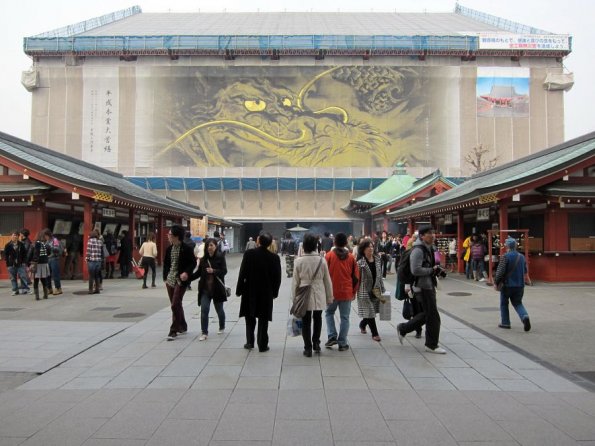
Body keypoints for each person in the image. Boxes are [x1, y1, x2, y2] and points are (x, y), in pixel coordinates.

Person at [397, 226, 446, 354]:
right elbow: (415, 270)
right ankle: (431, 345)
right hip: (422, 286)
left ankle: (403, 328)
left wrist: (437, 270)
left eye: (433, 233)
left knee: (427, 314)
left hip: (429, 285)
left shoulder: (429, 248)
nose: (433, 235)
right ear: (422, 236)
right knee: (433, 316)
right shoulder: (418, 250)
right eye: (430, 233)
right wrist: (431, 270)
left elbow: (431, 265)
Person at [236, 231, 281, 352]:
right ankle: (262, 344)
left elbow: (242, 273)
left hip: (249, 290)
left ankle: (250, 342)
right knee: (263, 319)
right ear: (270, 243)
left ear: (258, 241)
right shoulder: (274, 258)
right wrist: (275, 292)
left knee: (249, 317)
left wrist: (239, 289)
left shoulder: (249, 254)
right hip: (266, 292)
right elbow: (277, 278)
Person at [292, 233, 333, 357]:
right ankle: (316, 343)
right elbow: (327, 280)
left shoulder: (298, 261)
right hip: (319, 292)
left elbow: (295, 282)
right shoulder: (322, 260)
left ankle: (307, 348)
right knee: (318, 318)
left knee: (306, 321)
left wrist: (295, 299)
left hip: (304, 293)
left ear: (304, 246)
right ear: (316, 246)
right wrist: (329, 296)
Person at [324, 232, 359, 351]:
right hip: (346, 292)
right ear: (345, 243)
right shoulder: (351, 257)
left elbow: (324, 275)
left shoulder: (328, 256)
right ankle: (342, 342)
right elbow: (356, 277)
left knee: (329, 313)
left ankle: (332, 336)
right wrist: (354, 292)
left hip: (331, 292)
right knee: (345, 317)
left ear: (334, 242)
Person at [163, 225, 197, 341]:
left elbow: (193, 263)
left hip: (181, 280)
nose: (168, 236)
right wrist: (165, 277)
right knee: (177, 304)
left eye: (170, 234)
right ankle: (182, 325)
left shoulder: (186, 248)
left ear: (177, 236)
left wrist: (186, 273)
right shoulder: (169, 249)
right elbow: (166, 264)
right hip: (170, 279)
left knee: (175, 304)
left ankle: (173, 330)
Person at [192, 237, 228, 341]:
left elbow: (224, 271)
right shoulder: (203, 260)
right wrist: (188, 278)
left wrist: (214, 271)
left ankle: (222, 325)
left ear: (216, 246)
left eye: (211, 245)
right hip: (205, 289)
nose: (209, 247)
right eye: (208, 245)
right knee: (204, 310)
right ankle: (204, 332)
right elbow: (198, 273)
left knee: (219, 310)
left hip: (217, 289)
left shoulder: (220, 257)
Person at [494, 238, 531, 332]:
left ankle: (505, 323)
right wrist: (528, 281)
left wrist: (496, 282)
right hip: (520, 285)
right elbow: (525, 271)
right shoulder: (521, 257)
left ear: (507, 246)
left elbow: (500, 272)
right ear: (515, 246)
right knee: (518, 303)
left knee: (504, 304)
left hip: (507, 285)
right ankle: (524, 316)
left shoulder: (505, 256)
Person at [356, 238, 385, 342]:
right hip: (364, 290)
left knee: (372, 311)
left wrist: (382, 288)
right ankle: (375, 334)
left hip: (376, 289)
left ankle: (362, 324)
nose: (371, 248)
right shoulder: (360, 263)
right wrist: (354, 290)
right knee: (370, 311)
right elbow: (356, 278)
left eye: (372, 246)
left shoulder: (377, 260)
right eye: (368, 247)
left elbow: (380, 275)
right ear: (363, 249)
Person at [4, 231, 32, 295]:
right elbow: (6, 255)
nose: (15, 236)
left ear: (18, 237)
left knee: (23, 276)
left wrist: (24, 262)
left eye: (16, 235)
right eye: (13, 235)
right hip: (11, 264)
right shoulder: (8, 245)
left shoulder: (21, 244)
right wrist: (8, 263)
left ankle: (25, 289)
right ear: (11, 236)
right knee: (13, 278)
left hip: (21, 264)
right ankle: (15, 290)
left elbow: (25, 254)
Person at [31, 229, 52, 300]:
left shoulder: (43, 243)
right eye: (46, 236)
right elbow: (36, 253)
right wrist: (35, 261)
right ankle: (38, 296)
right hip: (39, 264)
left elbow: (47, 252)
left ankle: (44, 295)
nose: (47, 237)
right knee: (38, 279)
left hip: (42, 263)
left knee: (41, 279)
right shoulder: (39, 243)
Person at [44, 229, 64, 295]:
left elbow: (57, 249)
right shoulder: (47, 241)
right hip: (48, 259)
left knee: (55, 274)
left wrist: (49, 247)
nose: (45, 237)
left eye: (46, 236)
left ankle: (58, 288)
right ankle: (49, 289)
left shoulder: (55, 240)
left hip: (54, 259)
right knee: (47, 275)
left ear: (48, 235)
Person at [85, 229, 104, 294]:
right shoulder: (99, 241)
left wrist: (87, 259)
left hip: (92, 261)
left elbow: (88, 251)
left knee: (91, 276)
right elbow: (101, 252)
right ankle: (97, 289)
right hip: (98, 261)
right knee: (97, 276)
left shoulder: (90, 241)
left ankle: (90, 290)